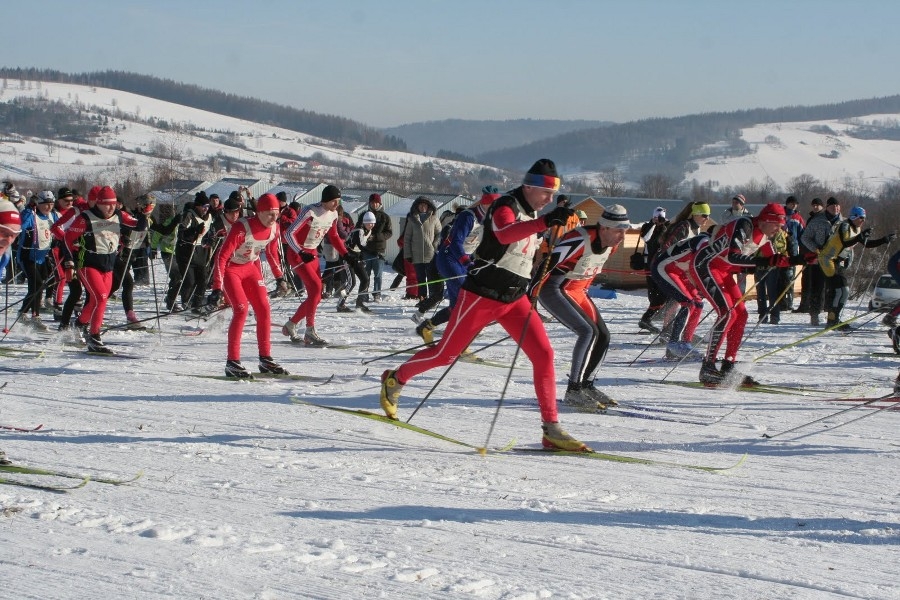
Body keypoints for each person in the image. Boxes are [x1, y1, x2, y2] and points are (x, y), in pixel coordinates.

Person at [379, 158, 592, 452]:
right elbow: (505, 233)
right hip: (481, 295)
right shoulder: (506, 205)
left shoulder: (532, 211)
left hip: (514, 299)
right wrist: (546, 221)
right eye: (546, 193)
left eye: (554, 195)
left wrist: (554, 226)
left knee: (544, 354)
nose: (550, 200)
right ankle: (395, 378)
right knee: (445, 354)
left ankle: (551, 428)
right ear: (529, 187)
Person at [537, 204, 634, 409]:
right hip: (556, 288)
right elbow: (547, 264)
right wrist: (530, 298)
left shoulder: (612, 244)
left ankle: (586, 385)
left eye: (625, 230)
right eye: (619, 230)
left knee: (603, 335)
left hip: (579, 291)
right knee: (587, 331)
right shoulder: (579, 238)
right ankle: (574, 390)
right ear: (604, 228)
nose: (622, 235)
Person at [690, 203, 798, 385]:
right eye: (777, 225)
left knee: (741, 314)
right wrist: (763, 262)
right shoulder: (745, 225)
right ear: (767, 220)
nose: (780, 229)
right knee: (727, 312)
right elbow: (733, 256)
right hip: (705, 265)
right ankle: (707, 367)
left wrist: (804, 259)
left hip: (722, 271)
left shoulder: (765, 235)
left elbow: (774, 261)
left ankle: (728, 364)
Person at [208, 193, 289, 378]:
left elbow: (272, 253)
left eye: (276, 213)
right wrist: (217, 288)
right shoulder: (241, 228)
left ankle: (265, 358)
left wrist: (280, 277)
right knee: (241, 309)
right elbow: (221, 257)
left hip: (250, 268)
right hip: (231, 270)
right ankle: (232, 362)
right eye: (269, 213)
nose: (274, 218)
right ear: (259, 212)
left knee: (264, 309)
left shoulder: (274, 228)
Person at [416, 186, 501, 345]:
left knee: (457, 307)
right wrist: (467, 263)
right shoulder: (468, 216)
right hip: (449, 259)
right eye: (493, 204)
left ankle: (427, 327)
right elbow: (455, 244)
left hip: (462, 260)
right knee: (468, 301)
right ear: (485, 203)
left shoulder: (488, 220)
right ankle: (459, 343)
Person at [63, 186, 142, 353]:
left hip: (108, 265)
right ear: (98, 204)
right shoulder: (86, 218)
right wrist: (70, 261)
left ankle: (78, 325)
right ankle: (94, 337)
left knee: (97, 301)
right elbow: (67, 239)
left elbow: (138, 226)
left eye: (113, 203)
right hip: (88, 264)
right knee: (101, 297)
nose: (111, 207)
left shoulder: (119, 215)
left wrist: (145, 212)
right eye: (106, 204)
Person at [282, 184, 351, 346]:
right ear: (325, 200)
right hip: (297, 254)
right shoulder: (310, 211)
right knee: (314, 289)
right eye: (334, 201)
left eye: (338, 201)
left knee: (317, 294)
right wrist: (300, 251)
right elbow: (289, 233)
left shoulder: (333, 214)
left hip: (311, 253)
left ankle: (291, 325)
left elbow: (333, 236)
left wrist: (347, 254)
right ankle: (309, 331)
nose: (336, 204)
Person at [818, 206, 895, 330]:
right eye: (861, 218)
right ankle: (832, 320)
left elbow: (866, 244)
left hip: (838, 262)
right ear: (854, 217)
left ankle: (834, 319)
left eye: (864, 218)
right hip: (828, 259)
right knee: (840, 291)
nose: (862, 221)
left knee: (843, 291)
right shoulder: (845, 225)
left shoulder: (857, 228)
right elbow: (845, 242)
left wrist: (883, 240)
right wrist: (860, 236)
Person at [16, 190, 58, 331]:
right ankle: (35, 316)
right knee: (38, 284)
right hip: (27, 256)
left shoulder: (52, 215)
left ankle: (23, 312)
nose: (48, 207)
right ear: (38, 204)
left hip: (42, 256)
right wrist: (29, 209)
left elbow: (59, 229)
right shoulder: (31, 214)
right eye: (45, 204)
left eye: (51, 204)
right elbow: (21, 226)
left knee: (39, 285)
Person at [168, 192, 214, 313]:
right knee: (189, 281)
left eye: (207, 207)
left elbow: (210, 230)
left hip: (200, 251)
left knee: (203, 280)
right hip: (185, 251)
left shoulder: (209, 216)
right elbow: (181, 234)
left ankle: (196, 305)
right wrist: (194, 230)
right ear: (197, 206)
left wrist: (211, 237)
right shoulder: (189, 215)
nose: (206, 209)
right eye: (203, 206)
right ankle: (173, 299)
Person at [800, 197, 842, 326]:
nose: (835, 208)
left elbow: (849, 242)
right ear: (827, 207)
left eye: (837, 206)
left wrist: (847, 257)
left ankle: (832, 315)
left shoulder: (844, 223)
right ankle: (814, 314)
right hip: (818, 260)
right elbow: (805, 237)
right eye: (832, 206)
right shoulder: (817, 221)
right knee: (817, 288)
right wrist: (815, 249)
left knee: (834, 289)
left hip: (835, 260)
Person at [404, 196, 442, 322]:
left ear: (429, 206)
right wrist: (408, 254)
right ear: (417, 206)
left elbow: (439, 233)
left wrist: (434, 245)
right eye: (420, 205)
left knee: (431, 278)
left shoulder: (434, 218)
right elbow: (407, 238)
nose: (423, 207)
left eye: (425, 205)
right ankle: (422, 299)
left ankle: (432, 300)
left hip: (431, 254)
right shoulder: (412, 219)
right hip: (417, 254)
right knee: (420, 279)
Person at [636, 206, 670, 333]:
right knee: (654, 291)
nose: (659, 220)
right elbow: (646, 238)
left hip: (664, 263)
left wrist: (664, 225)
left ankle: (652, 316)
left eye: (661, 217)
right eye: (657, 217)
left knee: (664, 293)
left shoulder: (667, 226)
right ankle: (648, 318)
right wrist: (653, 224)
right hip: (651, 263)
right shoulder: (648, 226)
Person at [356, 193, 392, 302]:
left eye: (376, 202)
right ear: (369, 203)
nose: (374, 204)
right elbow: (358, 228)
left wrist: (376, 236)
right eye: (372, 202)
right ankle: (364, 293)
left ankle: (377, 294)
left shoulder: (385, 217)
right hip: (366, 249)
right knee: (365, 274)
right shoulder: (363, 215)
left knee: (378, 274)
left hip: (379, 250)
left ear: (380, 203)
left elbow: (389, 233)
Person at [336, 212, 374, 313]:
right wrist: (373, 252)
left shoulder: (368, 231)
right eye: (369, 223)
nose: (371, 225)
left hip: (356, 258)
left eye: (373, 223)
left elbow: (360, 249)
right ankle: (340, 303)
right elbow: (360, 245)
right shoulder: (359, 230)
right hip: (347, 258)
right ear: (364, 222)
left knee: (365, 279)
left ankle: (360, 303)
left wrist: (361, 258)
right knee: (351, 283)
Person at [794, 197, 824, 313]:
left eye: (818, 205)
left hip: (816, 253)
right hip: (807, 253)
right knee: (806, 280)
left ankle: (817, 305)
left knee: (817, 282)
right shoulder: (812, 218)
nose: (815, 207)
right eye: (814, 205)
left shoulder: (822, 219)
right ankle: (805, 304)